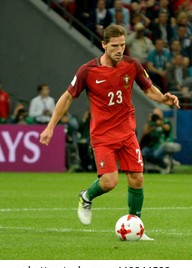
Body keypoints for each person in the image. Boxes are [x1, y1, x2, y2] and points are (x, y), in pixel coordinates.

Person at [39, 24, 180, 241]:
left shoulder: (132, 65)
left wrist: (163, 98)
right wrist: (50, 126)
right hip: (103, 135)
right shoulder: (87, 71)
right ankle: (86, 196)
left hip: (127, 133)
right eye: (115, 46)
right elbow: (67, 98)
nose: (119, 50)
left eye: (122, 45)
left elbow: (148, 88)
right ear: (104, 45)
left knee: (137, 178)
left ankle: (136, 225)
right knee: (109, 182)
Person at [140, 108, 181, 173]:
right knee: (144, 151)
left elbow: (167, 128)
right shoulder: (151, 124)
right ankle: (164, 163)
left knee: (156, 154)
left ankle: (165, 164)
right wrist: (149, 122)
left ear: (161, 115)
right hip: (154, 147)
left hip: (163, 145)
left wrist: (160, 124)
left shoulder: (166, 121)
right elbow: (144, 133)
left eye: (157, 114)